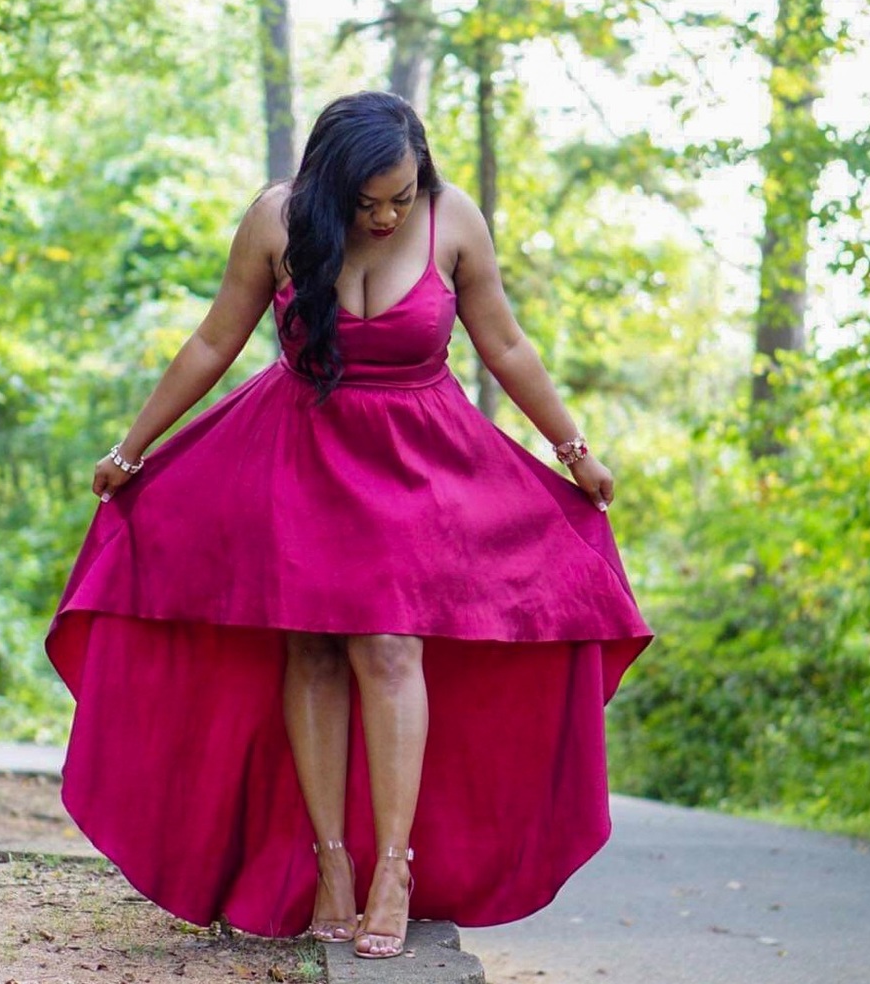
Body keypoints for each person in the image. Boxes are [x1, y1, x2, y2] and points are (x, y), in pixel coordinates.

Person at [47, 90, 652, 961]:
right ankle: (332, 863)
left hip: (416, 468)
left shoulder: (453, 221)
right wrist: (133, 449)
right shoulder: (276, 219)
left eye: (399, 197)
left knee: (391, 649)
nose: (384, 215)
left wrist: (573, 450)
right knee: (314, 651)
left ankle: (392, 872)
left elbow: (507, 346)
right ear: (328, 183)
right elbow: (216, 340)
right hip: (298, 459)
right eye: (366, 202)